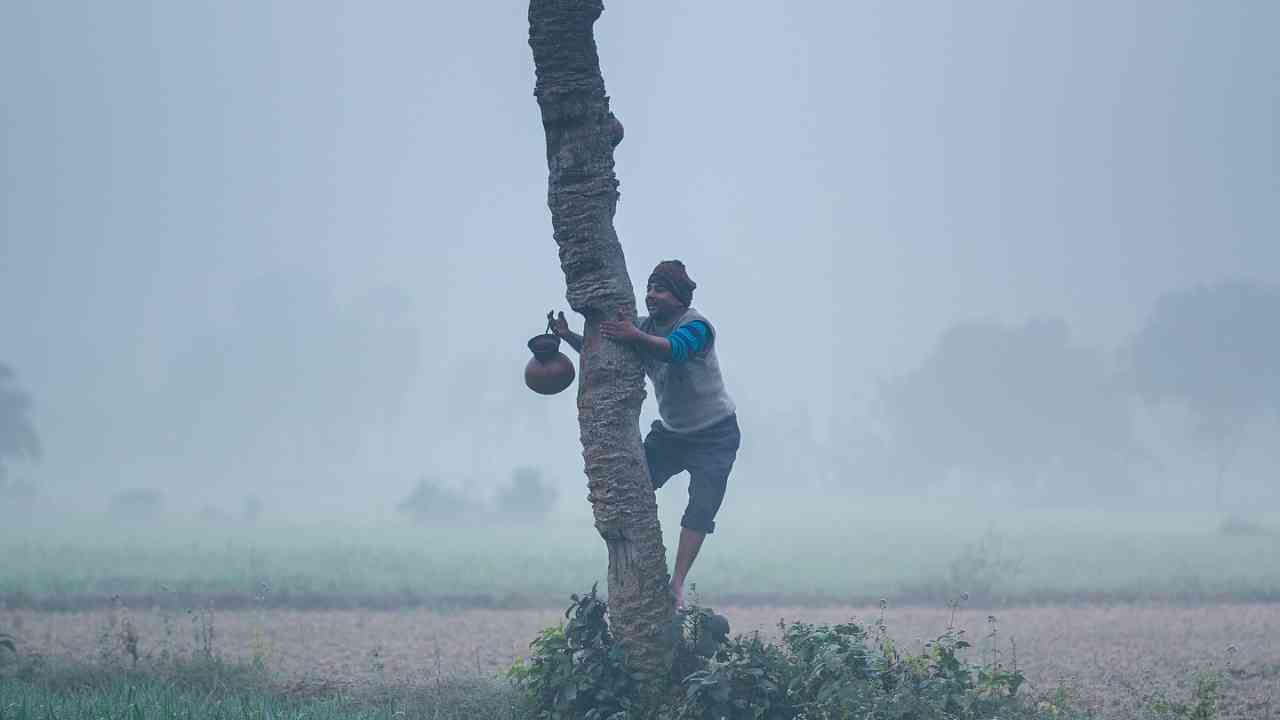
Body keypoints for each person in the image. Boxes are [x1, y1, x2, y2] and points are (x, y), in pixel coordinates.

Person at [550, 260, 739, 609]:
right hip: (672, 435)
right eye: (650, 288)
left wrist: (634, 336)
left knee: (701, 508)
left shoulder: (696, 326)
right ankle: (634, 568)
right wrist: (568, 337)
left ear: (680, 297)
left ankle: (677, 584)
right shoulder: (641, 328)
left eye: (661, 289)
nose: (652, 296)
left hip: (716, 435)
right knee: (632, 485)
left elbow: (675, 350)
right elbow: (608, 355)